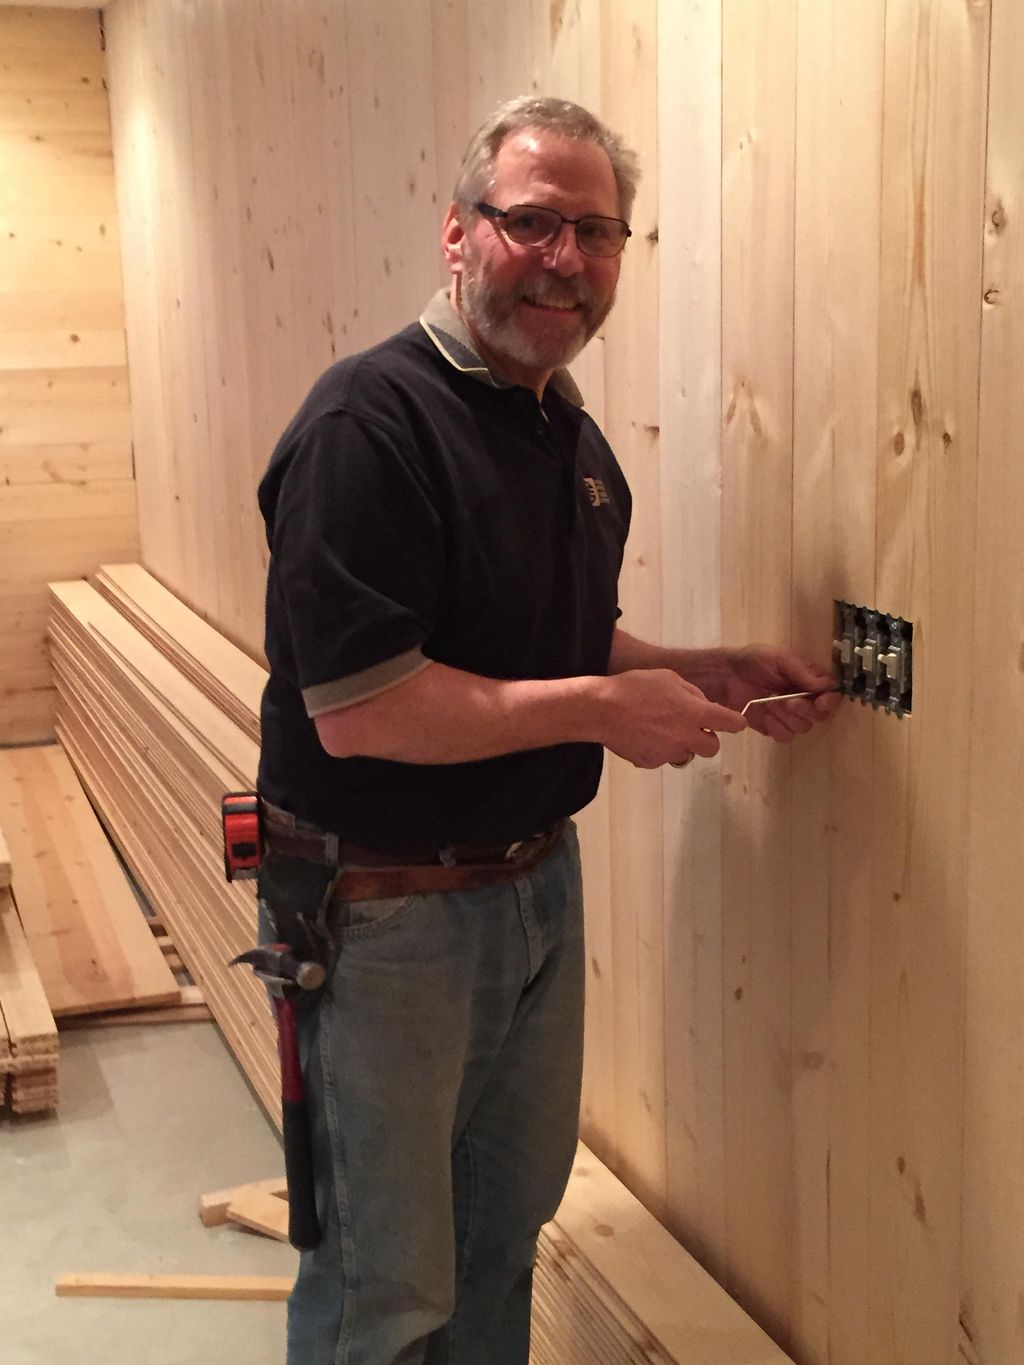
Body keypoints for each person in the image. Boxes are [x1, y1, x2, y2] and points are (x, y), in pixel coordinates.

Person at [255, 95, 839, 1365]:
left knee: (502, 1241)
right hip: (377, 918)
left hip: (530, 893)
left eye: (596, 230)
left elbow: (547, 649)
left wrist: (702, 666)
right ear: (459, 234)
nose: (563, 258)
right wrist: (601, 711)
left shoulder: (563, 436)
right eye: (530, 222)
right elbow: (364, 712)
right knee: (382, 1285)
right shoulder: (370, 426)